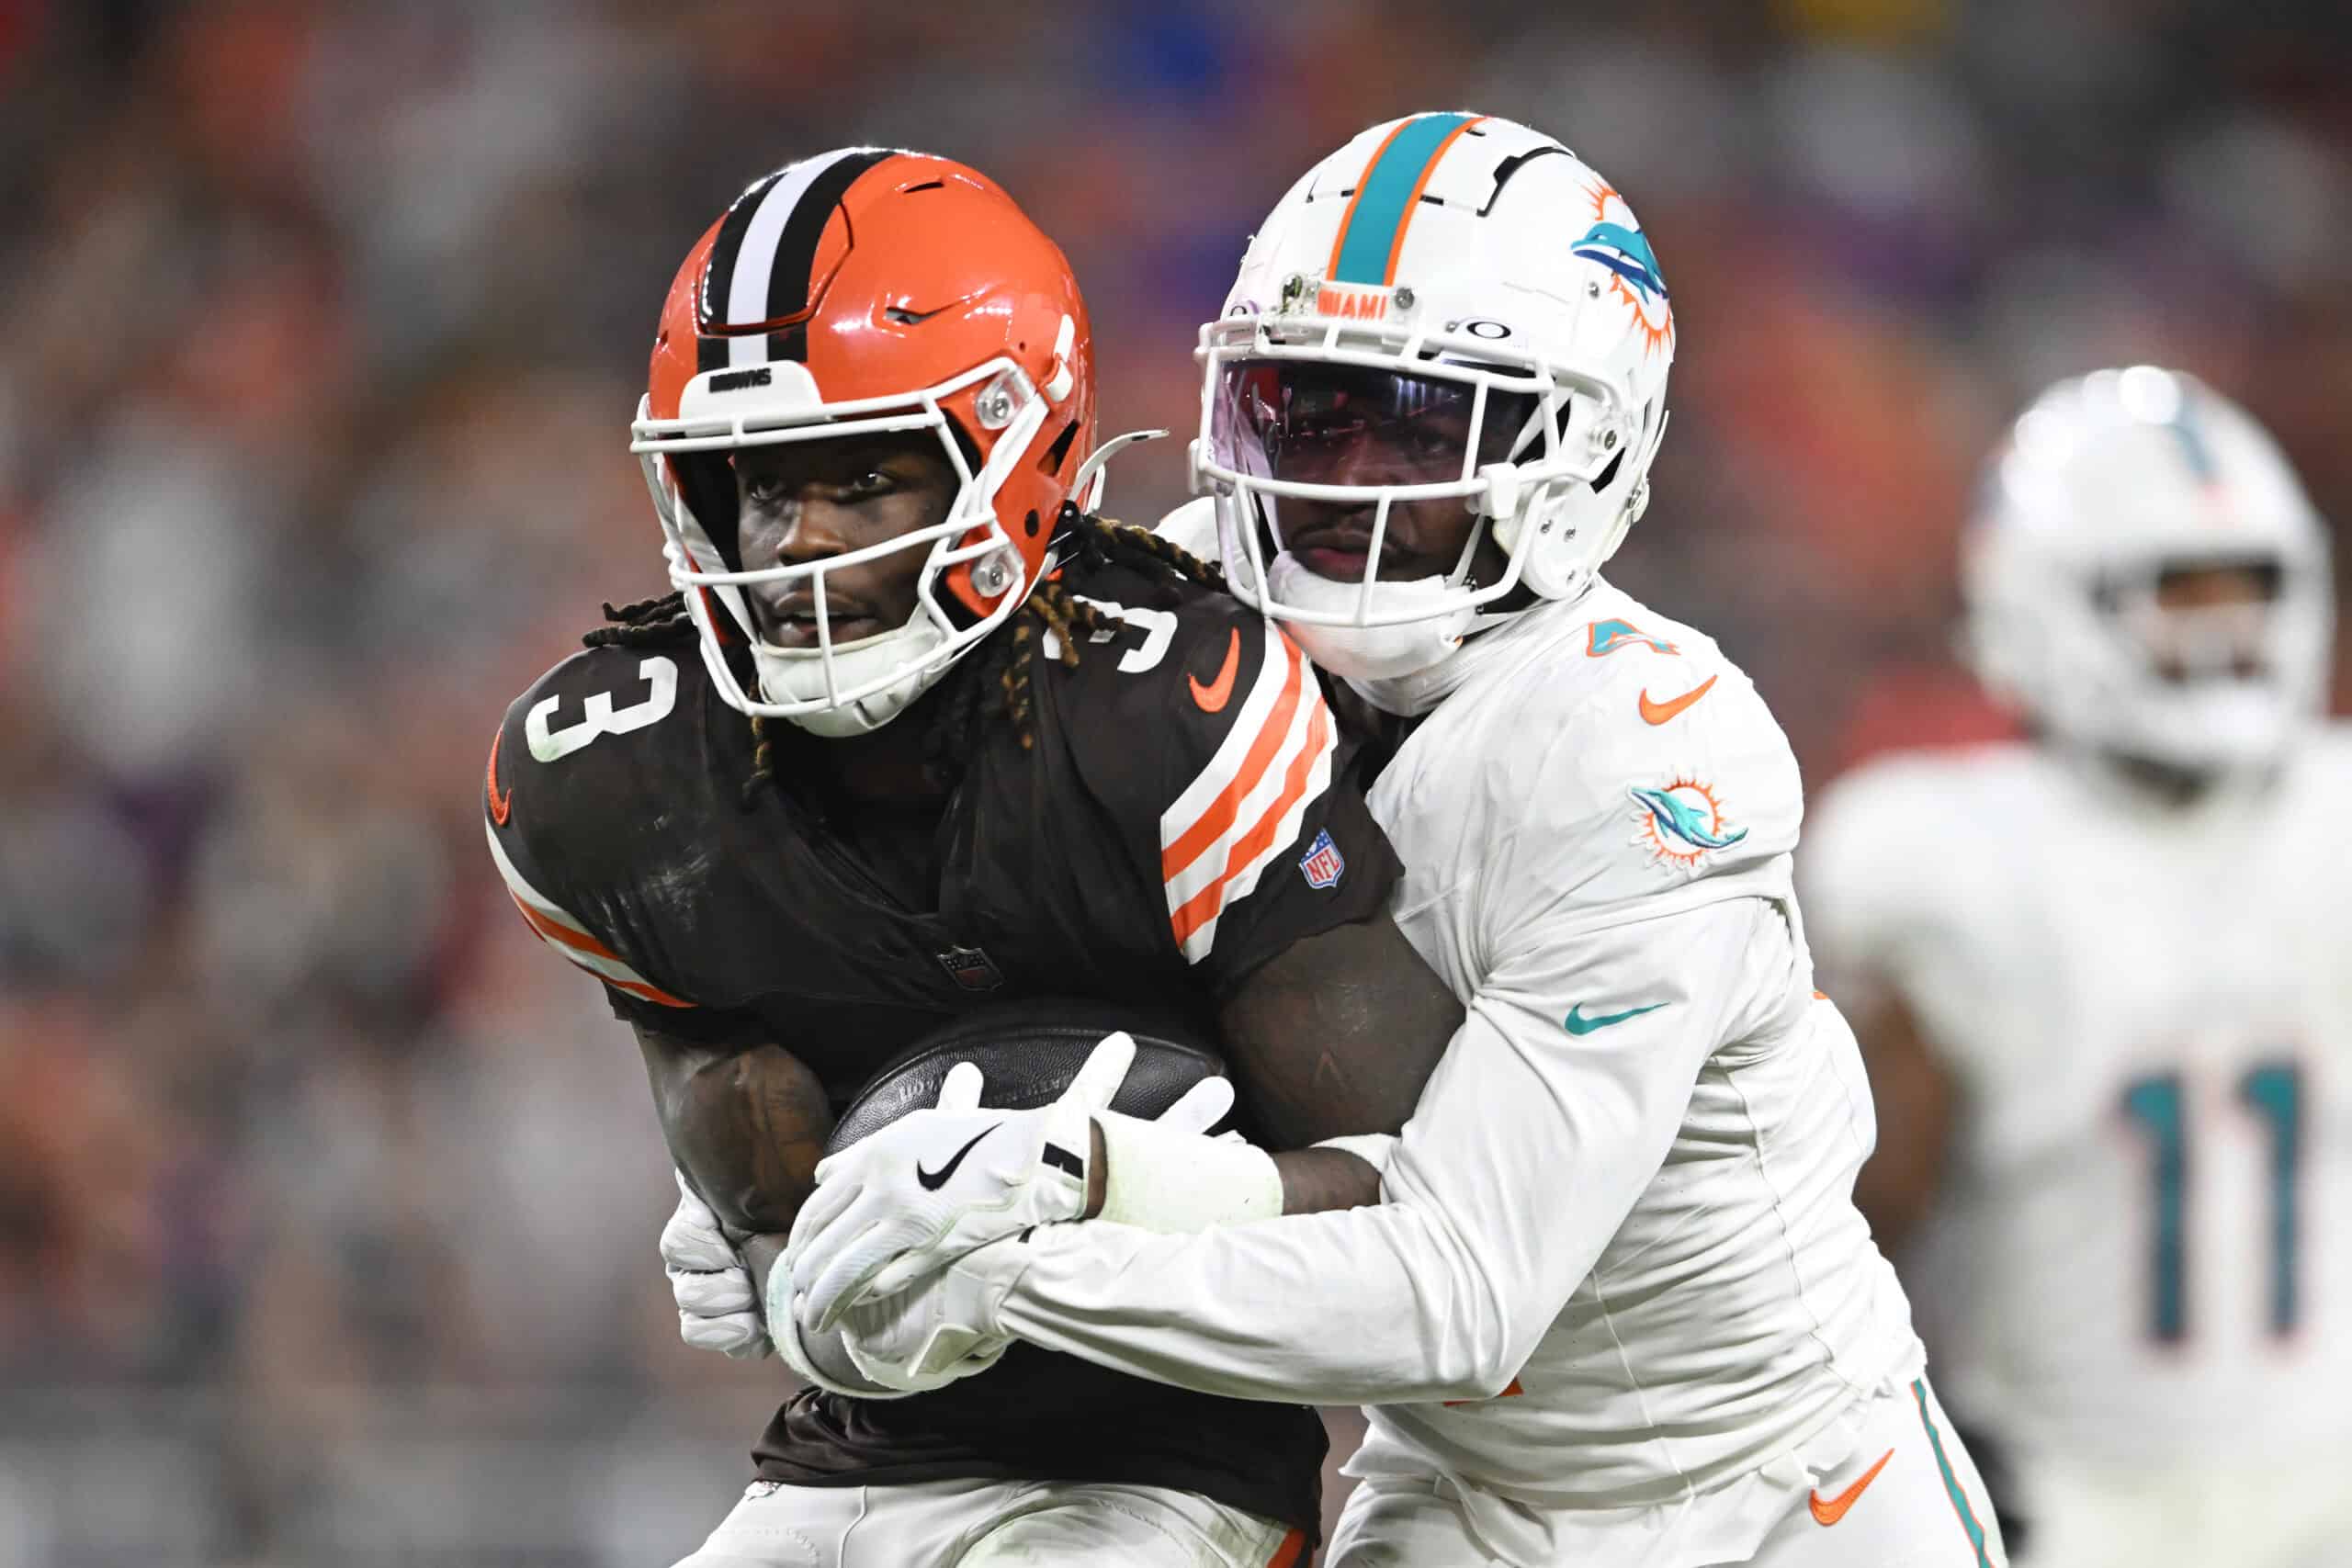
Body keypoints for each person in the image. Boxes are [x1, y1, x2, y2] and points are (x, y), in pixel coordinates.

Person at [766, 114, 2010, 1568]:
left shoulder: (1647, 747)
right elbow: (972, 932)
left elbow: (1463, 1293)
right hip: (1455, 1488)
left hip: (1782, 1492)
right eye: (1311, 410)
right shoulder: (1179, 646)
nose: (1344, 479)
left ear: (1586, 451)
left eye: (1422, 423)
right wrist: (813, 1164)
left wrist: (1015, 1254)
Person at [484, 146, 1462, 1568]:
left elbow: (1417, 1199)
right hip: (856, 1452)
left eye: (865, 478)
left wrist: (1089, 1178)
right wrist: (772, 1256)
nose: (795, 546)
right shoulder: (609, 775)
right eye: (758, 489)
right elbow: (760, 1163)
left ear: (1020, 451)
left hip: (1173, 1445)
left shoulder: (1161, 706)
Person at [1798, 367, 2348, 1568]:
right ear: (2038, 602)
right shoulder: (1945, 855)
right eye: (2175, 592)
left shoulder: (2334, 814)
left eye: (2246, 589)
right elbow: (1837, 1220)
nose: (2222, 631)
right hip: (2070, 1501)